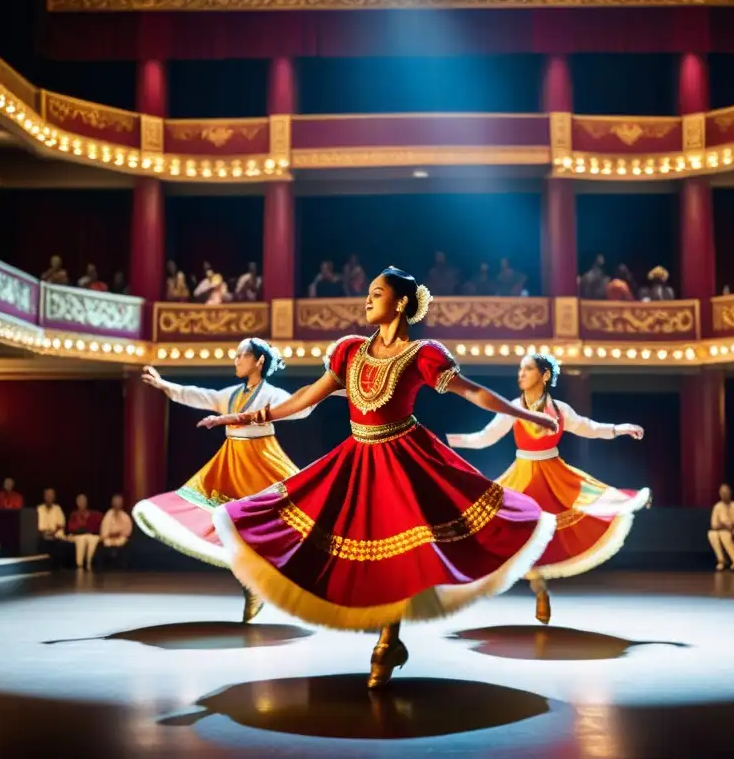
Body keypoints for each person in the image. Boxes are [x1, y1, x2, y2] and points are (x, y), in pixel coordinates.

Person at [204, 267, 558, 689]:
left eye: (376, 293)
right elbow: (306, 398)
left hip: (406, 457)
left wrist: (527, 413)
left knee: (400, 546)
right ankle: (388, 639)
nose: (367, 300)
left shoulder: (423, 353)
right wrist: (246, 415)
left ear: (402, 303)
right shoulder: (350, 351)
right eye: (368, 293)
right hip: (356, 457)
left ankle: (389, 638)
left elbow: (473, 391)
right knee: (341, 538)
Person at [132, 338, 329, 622]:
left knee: (286, 519)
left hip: (262, 461)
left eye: (241, 356)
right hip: (231, 463)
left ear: (258, 361)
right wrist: (165, 386)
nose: (235, 361)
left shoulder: (271, 394)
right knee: (227, 526)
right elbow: (201, 395)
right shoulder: (232, 394)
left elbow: (299, 407)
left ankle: (281, 581)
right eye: (235, 356)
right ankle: (253, 586)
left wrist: (324, 390)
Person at [447, 353, 648, 623]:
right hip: (522, 476)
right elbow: (485, 438)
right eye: (520, 369)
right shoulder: (512, 408)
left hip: (555, 477)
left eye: (528, 369)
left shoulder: (561, 410)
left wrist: (619, 428)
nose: (521, 374)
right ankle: (537, 588)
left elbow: (589, 428)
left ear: (544, 376)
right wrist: (445, 440)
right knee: (504, 529)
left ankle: (541, 589)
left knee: (551, 535)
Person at [705, 484, 734, 571]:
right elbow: (714, 525)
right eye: (722, 492)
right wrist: (724, 525)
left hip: (733, 530)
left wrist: (727, 525)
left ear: (730, 493)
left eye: (726, 492)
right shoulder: (717, 507)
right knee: (712, 534)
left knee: (724, 534)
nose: (724, 494)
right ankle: (721, 561)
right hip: (721, 530)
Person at [67, 493, 102, 570]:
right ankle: (80, 564)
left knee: (93, 539)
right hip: (77, 535)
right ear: (77, 503)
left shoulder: (93, 514)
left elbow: (96, 527)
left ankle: (89, 562)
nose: (82, 503)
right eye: (80, 501)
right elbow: (71, 527)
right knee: (82, 539)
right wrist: (81, 528)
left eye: (84, 501)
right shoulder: (74, 514)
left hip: (90, 534)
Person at [98, 494, 132, 570]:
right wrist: (111, 535)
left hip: (120, 538)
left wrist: (118, 533)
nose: (117, 504)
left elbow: (127, 532)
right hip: (109, 538)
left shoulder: (125, 516)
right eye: (116, 502)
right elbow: (104, 531)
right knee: (104, 543)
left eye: (119, 502)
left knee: (123, 541)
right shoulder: (108, 515)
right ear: (112, 503)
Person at [37, 488, 69, 568]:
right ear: (44, 497)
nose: (49, 497)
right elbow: (35, 524)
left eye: (51, 496)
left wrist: (53, 533)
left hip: (55, 534)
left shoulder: (57, 509)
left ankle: (57, 567)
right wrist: (43, 533)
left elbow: (61, 524)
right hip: (42, 534)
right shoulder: (39, 509)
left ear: (54, 497)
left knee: (58, 542)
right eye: (47, 495)